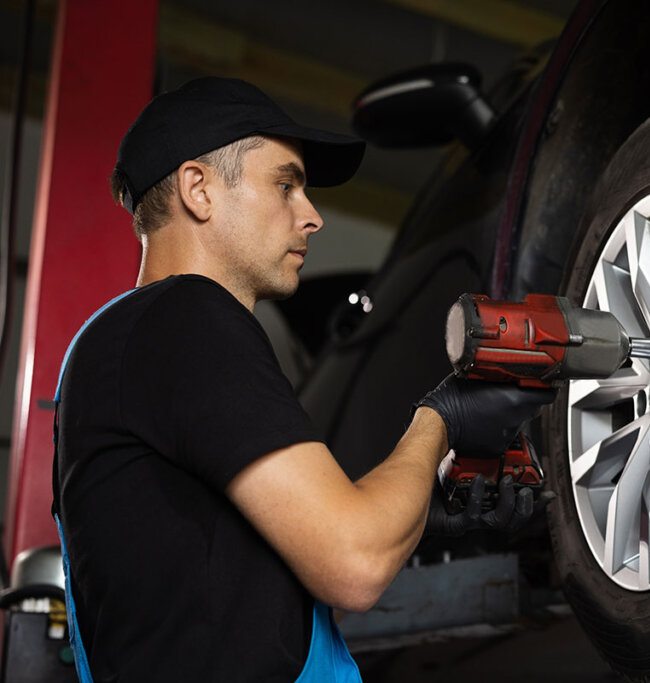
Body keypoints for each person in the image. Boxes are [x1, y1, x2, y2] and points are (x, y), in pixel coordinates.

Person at [51, 77, 553, 682]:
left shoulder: (122, 342)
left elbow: (228, 586)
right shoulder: (185, 319)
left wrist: (416, 509)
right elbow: (355, 562)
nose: (312, 216)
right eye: (285, 185)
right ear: (198, 189)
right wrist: (440, 420)